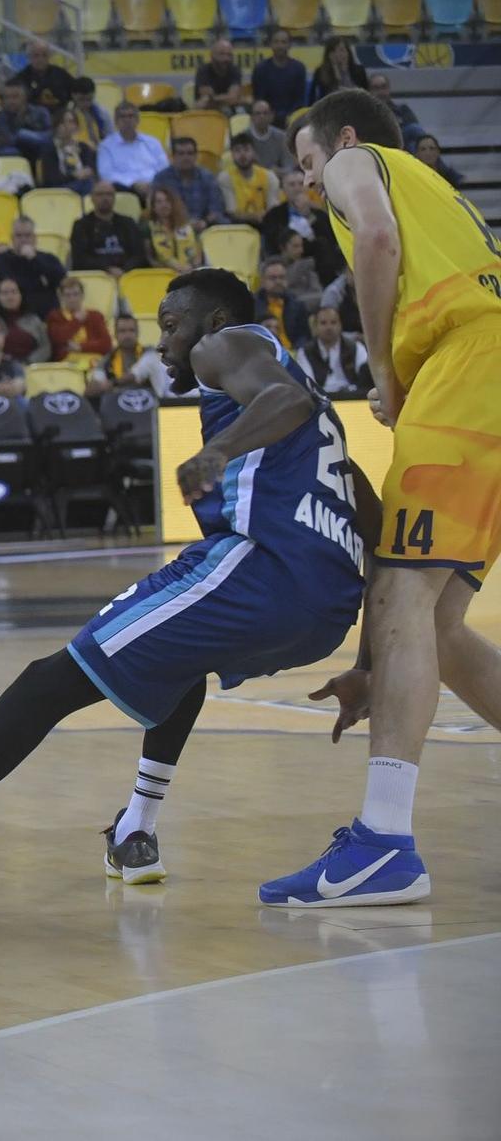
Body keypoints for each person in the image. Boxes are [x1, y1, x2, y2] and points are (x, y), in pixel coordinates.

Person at [0, 269, 370, 913]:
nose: (163, 346)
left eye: (171, 327)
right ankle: (136, 827)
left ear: (214, 323)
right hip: (328, 605)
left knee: (46, 683)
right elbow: (376, 519)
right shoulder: (318, 406)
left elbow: (284, 401)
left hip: (262, 573)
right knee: (176, 658)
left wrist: (217, 451)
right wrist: (367, 662)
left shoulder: (227, 346)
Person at [264, 88, 501, 907]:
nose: (306, 182)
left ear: (347, 141)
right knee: (435, 620)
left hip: (469, 370)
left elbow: (375, 235)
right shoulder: (442, 197)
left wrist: (385, 375)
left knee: (400, 586)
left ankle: (383, 843)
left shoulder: (360, 163)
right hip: (482, 369)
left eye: (306, 163)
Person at [261, 168, 342, 284]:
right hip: (286, 261)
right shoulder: (273, 215)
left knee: (322, 245)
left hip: (317, 260)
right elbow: (271, 243)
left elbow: (330, 241)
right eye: (292, 184)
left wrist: (308, 215)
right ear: (283, 189)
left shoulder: (319, 214)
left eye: (300, 184)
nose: (297, 188)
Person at [70, 179, 148, 276]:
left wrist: (124, 270)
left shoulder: (128, 223)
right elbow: (80, 259)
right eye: (100, 194)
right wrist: (107, 269)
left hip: (128, 277)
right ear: (92, 198)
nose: (105, 198)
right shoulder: (81, 225)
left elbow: (139, 256)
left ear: (114, 197)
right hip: (97, 278)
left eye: (109, 194)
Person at [0, 219, 67, 318]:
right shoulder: (1, 260)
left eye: (27, 235)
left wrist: (34, 259)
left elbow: (62, 281)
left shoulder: (48, 258)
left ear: (35, 238)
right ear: (12, 238)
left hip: (44, 316)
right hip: (12, 316)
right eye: (19, 236)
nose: (23, 240)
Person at [87, 312, 172, 397]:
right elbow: (94, 387)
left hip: (155, 405)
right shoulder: (107, 360)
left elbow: (136, 375)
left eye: (131, 330)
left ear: (137, 333)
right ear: (115, 334)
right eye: (122, 331)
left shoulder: (150, 353)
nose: (127, 335)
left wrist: (112, 383)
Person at [297, 304, 372, 399]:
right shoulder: (305, 352)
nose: (329, 327)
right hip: (322, 399)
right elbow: (309, 384)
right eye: (323, 323)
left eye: (333, 322)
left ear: (340, 324)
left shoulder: (356, 347)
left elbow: (365, 377)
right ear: (315, 327)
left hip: (351, 397)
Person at [152, 136, 225, 231]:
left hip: (204, 228)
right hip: (171, 229)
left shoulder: (207, 177)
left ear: (196, 156)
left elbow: (216, 209)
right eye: (181, 154)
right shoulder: (161, 179)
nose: (185, 157)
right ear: (173, 157)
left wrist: (204, 222)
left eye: (190, 153)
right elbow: (154, 210)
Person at [96, 102, 168, 194]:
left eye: (131, 116)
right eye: (122, 117)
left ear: (137, 120)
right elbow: (106, 174)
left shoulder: (153, 142)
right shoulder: (106, 146)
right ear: (116, 121)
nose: (127, 120)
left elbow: (164, 168)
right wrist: (133, 184)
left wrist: (151, 184)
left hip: (154, 188)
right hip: (125, 190)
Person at [46, 276, 112, 363]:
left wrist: (81, 347)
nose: (72, 299)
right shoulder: (55, 316)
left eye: (76, 294)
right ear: (61, 297)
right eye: (67, 295)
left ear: (82, 295)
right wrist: (76, 321)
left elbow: (106, 344)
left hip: (94, 362)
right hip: (67, 364)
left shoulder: (95, 316)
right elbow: (57, 340)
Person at [221, 132, 279, 225]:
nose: (242, 154)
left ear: (254, 152)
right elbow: (231, 213)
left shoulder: (269, 176)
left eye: (246, 149)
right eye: (237, 150)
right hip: (237, 226)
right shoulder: (225, 178)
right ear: (231, 155)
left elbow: (273, 209)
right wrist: (254, 217)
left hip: (265, 224)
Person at [0, 278, 51, 363]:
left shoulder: (34, 320)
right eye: (5, 293)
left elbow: (45, 347)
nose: (10, 297)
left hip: (30, 369)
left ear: (21, 295)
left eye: (14, 292)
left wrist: (28, 362)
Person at [250, 29, 308, 120]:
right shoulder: (260, 69)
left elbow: (299, 99)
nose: (280, 46)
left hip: (292, 117)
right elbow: (259, 97)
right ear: (270, 44)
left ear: (289, 45)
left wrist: (291, 115)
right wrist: (269, 115)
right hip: (266, 117)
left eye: (283, 42)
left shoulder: (299, 68)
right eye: (276, 42)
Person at [0, 82, 52, 162]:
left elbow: (50, 135)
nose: (11, 101)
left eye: (15, 97)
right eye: (7, 97)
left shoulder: (40, 112)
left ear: (25, 97)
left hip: (39, 151)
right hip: (16, 156)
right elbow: (6, 140)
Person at [144, 186, 203, 273]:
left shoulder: (187, 226)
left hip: (191, 271)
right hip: (163, 273)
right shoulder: (147, 228)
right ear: (153, 207)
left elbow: (198, 254)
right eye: (159, 202)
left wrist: (192, 266)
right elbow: (149, 258)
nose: (164, 205)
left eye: (167, 200)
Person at [10, 40, 77, 116]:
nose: (40, 59)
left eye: (44, 55)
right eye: (36, 55)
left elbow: (77, 93)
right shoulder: (21, 78)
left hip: (60, 121)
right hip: (32, 121)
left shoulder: (61, 74)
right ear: (29, 57)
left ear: (49, 56)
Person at [37, 108, 96, 193]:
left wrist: (82, 174)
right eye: (62, 122)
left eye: (71, 122)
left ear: (77, 126)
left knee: (89, 183)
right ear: (56, 126)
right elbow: (52, 180)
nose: (66, 125)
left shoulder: (84, 148)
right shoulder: (49, 149)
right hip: (59, 190)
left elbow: (89, 170)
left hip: (82, 184)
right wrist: (74, 175)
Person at [242, 99, 293, 176]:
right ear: (251, 117)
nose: (262, 116)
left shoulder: (281, 136)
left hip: (277, 179)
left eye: (265, 113)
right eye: (258, 113)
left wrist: (280, 171)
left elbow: (289, 166)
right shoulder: (243, 137)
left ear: (272, 116)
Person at [310, 37, 368, 104]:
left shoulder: (359, 70)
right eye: (334, 51)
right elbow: (316, 97)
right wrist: (335, 70)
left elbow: (365, 94)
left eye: (342, 50)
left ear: (348, 52)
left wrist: (344, 71)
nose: (338, 54)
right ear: (329, 55)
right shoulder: (320, 71)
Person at [192, 39, 244, 114]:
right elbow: (206, 100)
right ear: (212, 55)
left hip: (230, 110)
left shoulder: (235, 70)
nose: (226, 59)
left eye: (229, 55)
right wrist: (227, 98)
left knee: (241, 111)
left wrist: (215, 98)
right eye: (221, 54)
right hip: (206, 113)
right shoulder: (203, 71)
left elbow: (233, 98)